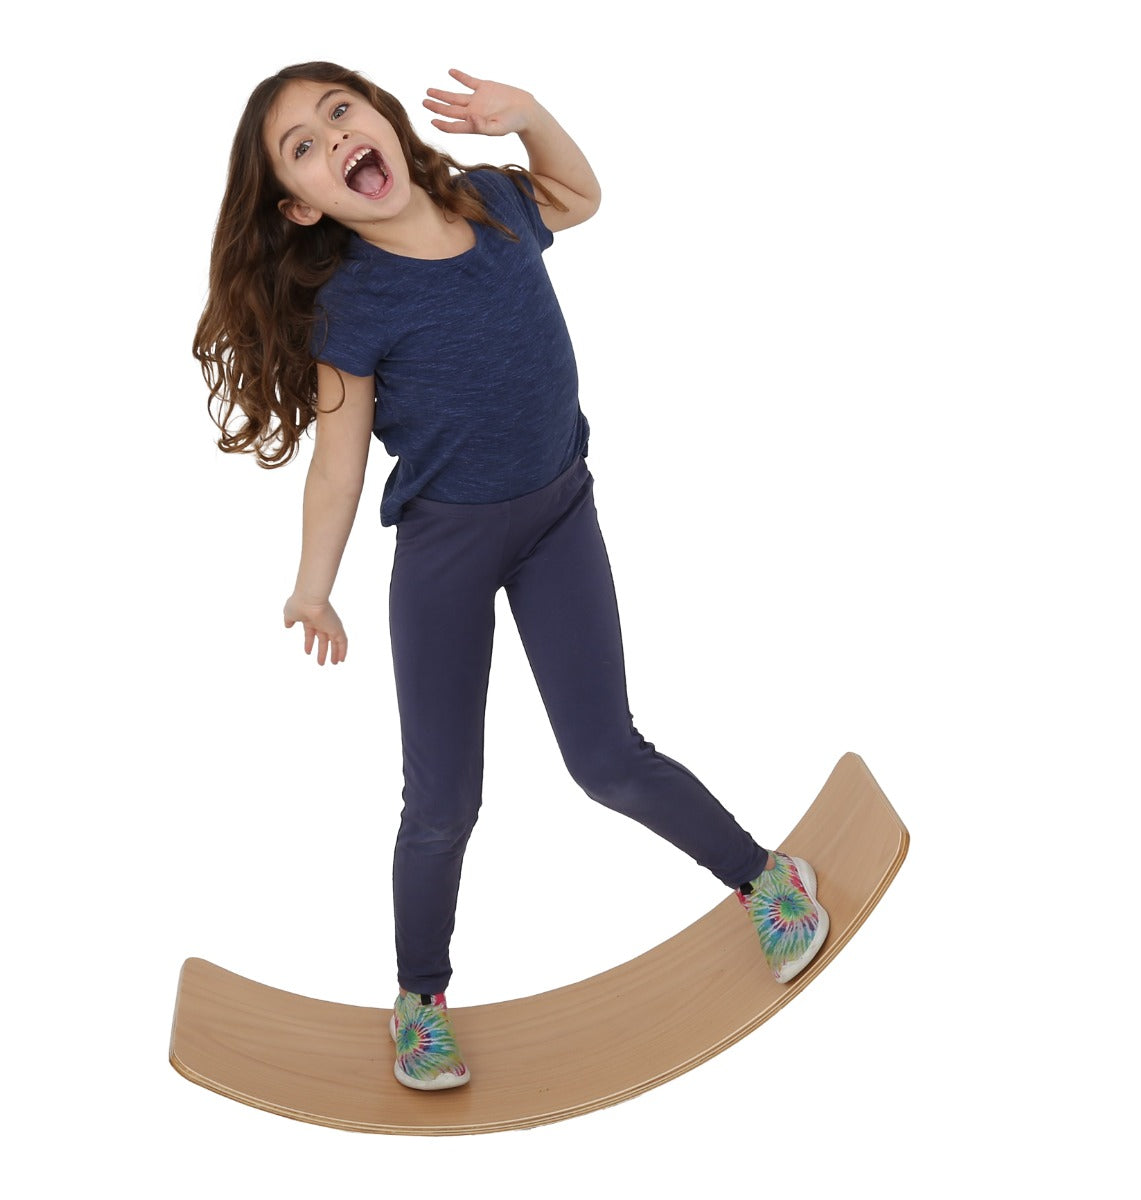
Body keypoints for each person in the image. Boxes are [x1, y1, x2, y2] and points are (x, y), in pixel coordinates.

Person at [194, 62, 828, 1092]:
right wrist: (314, 584)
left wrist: (530, 117)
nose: (330, 136)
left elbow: (580, 196)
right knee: (442, 800)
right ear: (301, 206)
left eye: (338, 110)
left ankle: (766, 880)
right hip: (446, 548)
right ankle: (420, 1001)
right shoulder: (352, 307)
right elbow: (339, 462)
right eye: (300, 146)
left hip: (557, 517)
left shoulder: (486, 201)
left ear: (386, 121)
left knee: (608, 758)